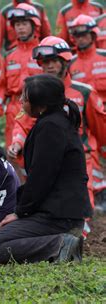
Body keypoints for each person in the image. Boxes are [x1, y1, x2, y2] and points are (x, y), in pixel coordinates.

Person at [0, 74, 93, 264]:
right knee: (0, 237)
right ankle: (58, 243)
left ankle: (59, 244)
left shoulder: (51, 127)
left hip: (58, 216)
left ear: (40, 106)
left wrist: (19, 212)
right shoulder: (54, 121)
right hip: (56, 212)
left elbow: (42, 177)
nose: (21, 102)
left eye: (25, 98)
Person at [8, 36, 106, 211]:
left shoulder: (84, 92)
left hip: (80, 157)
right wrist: (17, 142)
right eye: (44, 62)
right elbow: (22, 122)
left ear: (65, 62)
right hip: (46, 157)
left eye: (53, 61)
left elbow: (101, 129)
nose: (49, 66)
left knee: (81, 205)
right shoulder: (34, 91)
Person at [0, 3, 43, 151]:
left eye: (24, 23)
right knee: (14, 155)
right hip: (14, 110)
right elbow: (0, 87)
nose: (20, 28)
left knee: (38, 153)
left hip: (37, 109)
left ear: (35, 25)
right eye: (17, 24)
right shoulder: (9, 56)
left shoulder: (43, 54)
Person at [68, 15, 106, 210]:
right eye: (76, 35)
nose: (80, 39)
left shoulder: (104, 56)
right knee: (91, 155)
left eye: (84, 35)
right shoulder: (70, 63)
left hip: (104, 113)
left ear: (92, 35)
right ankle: (100, 196)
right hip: (84, 115)